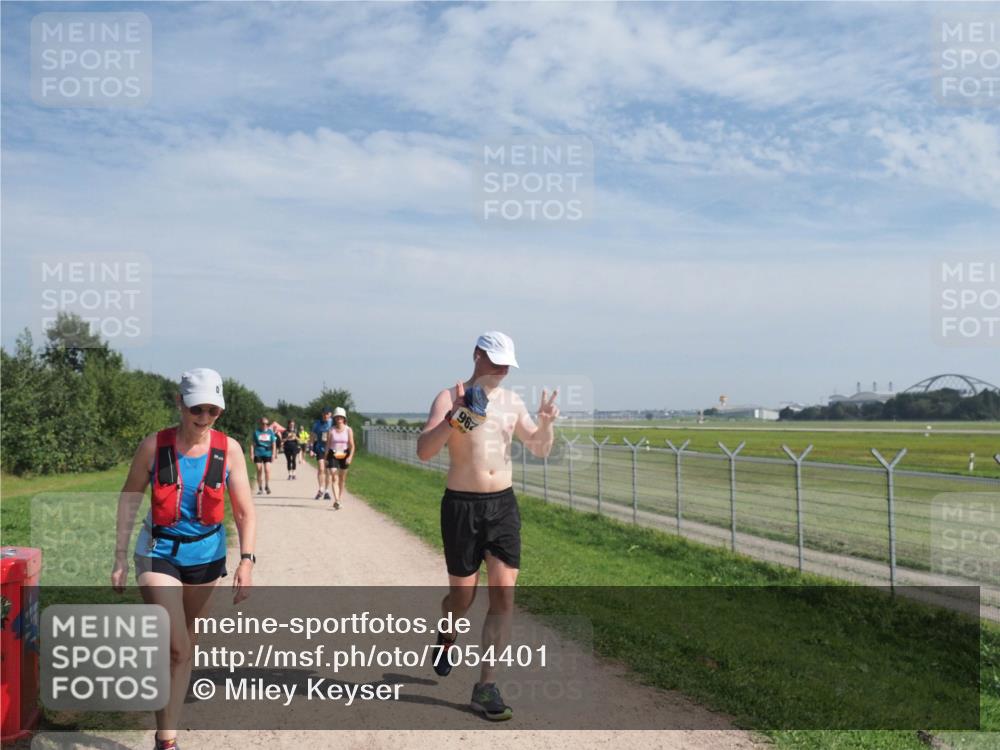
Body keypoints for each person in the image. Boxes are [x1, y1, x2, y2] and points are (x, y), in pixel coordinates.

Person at [416, 332, 558, 721]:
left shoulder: (512, 403)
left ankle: (486, 686)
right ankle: (448, 634)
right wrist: (455, 416)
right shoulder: (449, 397)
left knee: (504, 595)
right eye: (494, 360)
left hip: (502, 506)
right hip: (461, 507)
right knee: (462, 599)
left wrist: (545, 424)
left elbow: (539, 447)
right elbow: (425, 451)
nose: (500, 369)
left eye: (506, 364)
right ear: (477, 355)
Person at [111, 368, 256, 750]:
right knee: (175, 644)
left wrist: (247, 559)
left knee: (187, 639)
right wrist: (120, 557)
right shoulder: (153, 447)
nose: (204, 418)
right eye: (197, 408)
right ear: (180, 403)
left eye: (213, 410)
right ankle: (166, 740)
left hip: (206, 556)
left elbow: (243, 511)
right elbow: (129, 500)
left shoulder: (230, 450)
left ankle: (169, 707)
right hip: (158, 552)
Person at [325, 407, 355, 510]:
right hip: (333, 454)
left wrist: (350, 457)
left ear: (344, 418)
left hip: (344, 454)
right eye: (337, 417)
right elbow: (328, 445)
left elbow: (352, 445)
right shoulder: (331, 430)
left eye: (340, 417)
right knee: (334, 476)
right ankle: (337, 500)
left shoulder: (348, 430)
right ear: (334, 418)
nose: (339, 419)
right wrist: (326, 458)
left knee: (342, 478)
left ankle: (339, 498)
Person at [311, 406, 334, 500]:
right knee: (321, 468)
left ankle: (327, 491)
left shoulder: (333, 423)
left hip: (331, 449)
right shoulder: (317, 424)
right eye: (324, 414)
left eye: (327, 414)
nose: (325, 415)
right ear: (322, 414)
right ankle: (320, 489)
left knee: (328, 471)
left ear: (330, 414)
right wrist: (311, 449)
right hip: (320, 448)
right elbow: (312, 436)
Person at [251, 417, 278, 495]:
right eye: (263, 423)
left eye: (267, 424)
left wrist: (274, 454)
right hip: (258, 453)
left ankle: (267, 485)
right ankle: (260, 488)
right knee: (259, 470)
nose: (265, 425)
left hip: (268, 453)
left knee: (267, 470)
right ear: (260, 424)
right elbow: (253, 444)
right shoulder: (256, 432)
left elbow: (274, 443)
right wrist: (252, 454)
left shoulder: (270, 432)